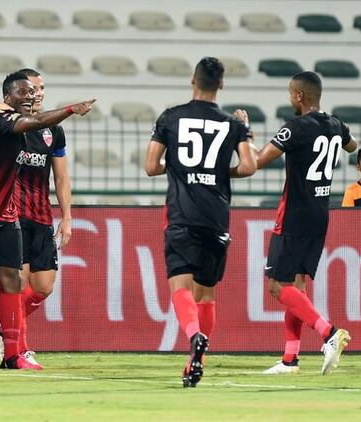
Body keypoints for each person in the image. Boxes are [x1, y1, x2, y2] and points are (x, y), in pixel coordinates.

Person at [0, 71, 94, 370]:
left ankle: (13, 354)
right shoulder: (1, 121)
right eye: (24, 92)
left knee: (15, 282)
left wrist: (66, 216)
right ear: (8, 98)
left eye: (35, 91)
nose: (32, 96)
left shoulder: (45, 132)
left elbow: (60, 172)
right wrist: (68, 109)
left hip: (8, 215)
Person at [145, 57, 257, 387]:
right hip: (217, 217)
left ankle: (194, 336)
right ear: (221, 84)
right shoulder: (233, 124)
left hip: (182, 214)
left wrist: (179, 166)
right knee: (206, 295)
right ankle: (198, 363)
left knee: (180, 286)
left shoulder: (171, 117)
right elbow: (249, 166)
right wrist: (224, 168)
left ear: (193, 81)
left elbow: (151, 166)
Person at [254, 71, 357, 376]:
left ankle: (328, 332)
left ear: (299, 96)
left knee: (276, 286)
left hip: (295, 213)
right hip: (320, 213)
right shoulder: (336, 124)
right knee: (297, 286)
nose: (290, 98)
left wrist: (246, 138)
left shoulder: (296, 127)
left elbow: (259, 160)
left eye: (290, 93)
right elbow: (353, 147)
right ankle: (290, 359)